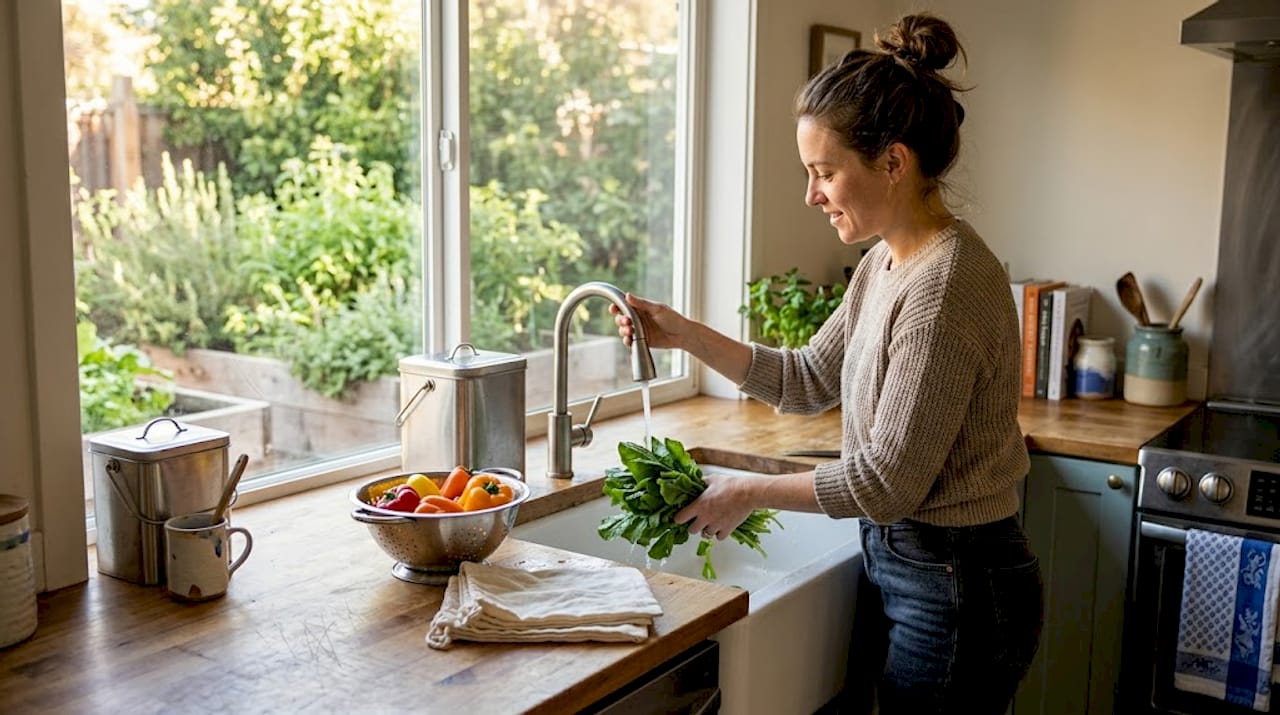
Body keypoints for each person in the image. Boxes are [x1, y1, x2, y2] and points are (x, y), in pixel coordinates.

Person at [611, 13, 1043, 715]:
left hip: (960, 583)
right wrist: (684, 334)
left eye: (824, 171)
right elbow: (808, 377)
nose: (812, 194)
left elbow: (884, 483)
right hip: (917, 568)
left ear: (893, 162)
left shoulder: (945, 287)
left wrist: (744, 488)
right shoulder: (887, 262)